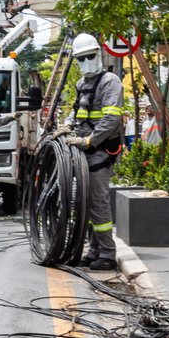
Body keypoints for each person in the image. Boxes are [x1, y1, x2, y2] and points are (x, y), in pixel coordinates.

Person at [65, 33, 124, 270]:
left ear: (98, 54)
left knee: (98, 203)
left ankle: (108, 254)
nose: (85, 62)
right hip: (83, 150)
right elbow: (77, 111)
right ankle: (94, 251)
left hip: (99, 151)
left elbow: (111, 119)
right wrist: (66, 126)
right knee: (85, 202)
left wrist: (90, 140)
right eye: (80, 58)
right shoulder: (81, 84)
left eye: (89, 56)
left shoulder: (111, 82)